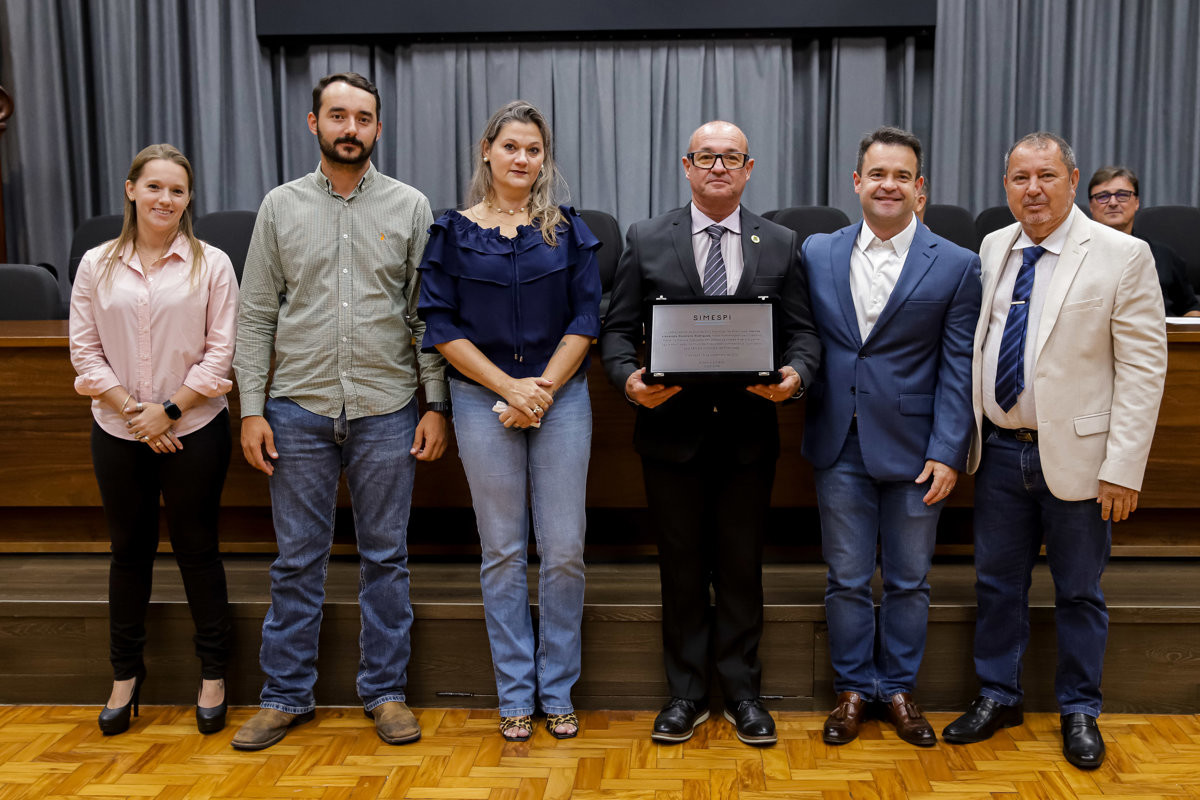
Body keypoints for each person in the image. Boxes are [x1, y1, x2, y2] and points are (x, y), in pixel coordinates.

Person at [231, 72, 449, 751]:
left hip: (387, 409)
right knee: (297, 559)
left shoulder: (411, 206)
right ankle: (284, 695)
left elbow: (425, 318)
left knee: (387, 557)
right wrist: (250, 409)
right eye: (337, 116)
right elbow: (257, 315)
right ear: (314, 123)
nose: (349, 128)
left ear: (378, 129)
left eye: (362, 118)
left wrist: (434, 404)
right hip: (296, 409)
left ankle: (385, 692)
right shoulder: (280, 206)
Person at [943, 132, 1167, 770]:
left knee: (1079, 591)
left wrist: (1122, 468)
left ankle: (1079, 709)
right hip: (1000, 455)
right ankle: (997, 694)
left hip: (1083, 460)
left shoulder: (1124, 254)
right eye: (1019, 178)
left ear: (1072, 180)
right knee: (996, 585)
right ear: (1006, 186)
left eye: (1046, 176)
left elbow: (1144, 373)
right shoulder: (994, 246)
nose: (1032, 190)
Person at [600, 120, 821, 747]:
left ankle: (743, 694)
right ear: (687, 166)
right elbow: (615, 332)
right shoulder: (646, 238)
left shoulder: (780, 242)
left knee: (742, 567)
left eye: (731, 158)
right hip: (670, 434)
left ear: (749, 168)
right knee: (682, 568)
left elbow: (803, 332)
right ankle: (687, 694)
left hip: (749, 436)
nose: (718, 167)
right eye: (706, 157)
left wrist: (796, 375)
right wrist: (627, 381)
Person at [417, 100, 601, 741]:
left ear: (543, 159)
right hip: (480, 400)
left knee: (565, 552)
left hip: (560, 398)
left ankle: (557, 689)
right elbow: (439, 324)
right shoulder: (452, 230)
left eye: (534, 149)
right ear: (487, 151)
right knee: (501, 551)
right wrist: (506, 388)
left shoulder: (567, 229)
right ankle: (516, 693)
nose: (523, 159)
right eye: (512, 147)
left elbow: (586, 319)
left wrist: (541, 389)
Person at [800, 126, 981, 747]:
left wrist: (948, 450)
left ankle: (898, 688)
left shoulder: (957, 264)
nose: (888, 185)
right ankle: (853, 690)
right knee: (847, 577)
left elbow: (960, 366)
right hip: (839, 441)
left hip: (917, 450)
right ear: (856, 183)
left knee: (909, 579)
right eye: (877, 174)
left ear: (920, 189)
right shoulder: (817, 252)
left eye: (902, 175)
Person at [69, 143, 238, 736]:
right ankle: (124, 675)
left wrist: (167, 411)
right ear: (131, 190)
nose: (165, 199)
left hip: (194, 428)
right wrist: (134, 413)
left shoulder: (211, 263)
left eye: (177, 190)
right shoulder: (97, 264)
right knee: (128, 554)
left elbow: (222, 353)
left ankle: (214, 674)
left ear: (189, 199)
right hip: (118, 431)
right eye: (155, 187)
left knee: (198, 551)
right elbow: (84, 351)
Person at [1086, 165, 1200, 317]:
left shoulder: (1164, 256)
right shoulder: (1076, 255)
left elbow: (1190, 308)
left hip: (1161, 337)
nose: (1113, 202)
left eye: (1123, 195)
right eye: (1103, 196)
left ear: (1137, 202)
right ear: (1091, 207)